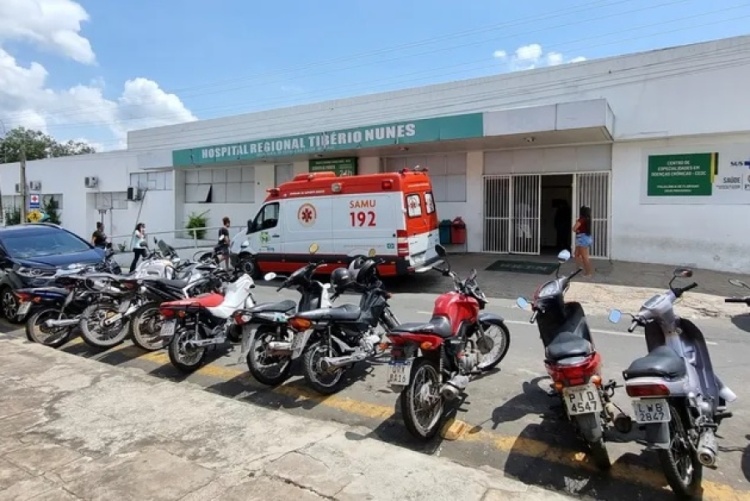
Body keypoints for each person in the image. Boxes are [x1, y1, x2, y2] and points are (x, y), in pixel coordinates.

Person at [573, 206, 594, 277]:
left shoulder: (581, 220)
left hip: (582, 239)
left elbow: (574, 228)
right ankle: (578, 270)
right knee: (576, 254)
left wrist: (577, 230)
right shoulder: (588, 219)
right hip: (586, 238)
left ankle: (588, 273)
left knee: (584, 257)